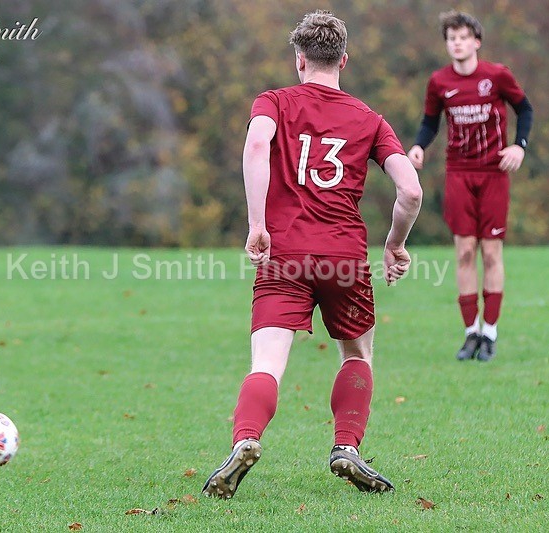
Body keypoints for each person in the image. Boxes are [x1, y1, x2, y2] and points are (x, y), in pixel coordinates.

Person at [202, 10, 422, 499]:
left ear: (300, 59)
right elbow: (410, 190)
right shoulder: (370, 119)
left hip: (285, 254)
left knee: (266, 363)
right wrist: (395, 244)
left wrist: (258, 224)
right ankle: (346, 447)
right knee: (358, 353)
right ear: (343, 60)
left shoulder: (274, 101)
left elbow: (257, 145)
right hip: (344, 257)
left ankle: (246, 440)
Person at [407, 11, 533, 362]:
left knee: (491, 252)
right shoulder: (438, 82)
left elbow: (525, 109)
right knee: (464, 251)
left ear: (476, 41)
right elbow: (430, 122)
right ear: (447, 44)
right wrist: (419, 146)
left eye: (463, 37)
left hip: (493, 173)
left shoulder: (497, 76)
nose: (457, 43)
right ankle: (470, 333)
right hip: (458, 173)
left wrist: (518, 146)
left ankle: (490, 333)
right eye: (451, 38)